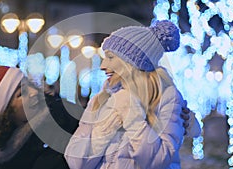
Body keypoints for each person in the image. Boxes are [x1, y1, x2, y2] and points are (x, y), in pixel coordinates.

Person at [64, 20, 201, 169]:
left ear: (132, 63)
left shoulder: (166, 97)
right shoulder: (101, 99)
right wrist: (104, 131)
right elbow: (76, 163)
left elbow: (159, 160)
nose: (103, 66)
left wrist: (131, 115)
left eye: (110, 57)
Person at [0, 66, 78, 169]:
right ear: (7, 112)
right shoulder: (2, 160)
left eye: (30, 86)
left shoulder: (66, 118)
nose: (34, 93)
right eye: (21, 93)